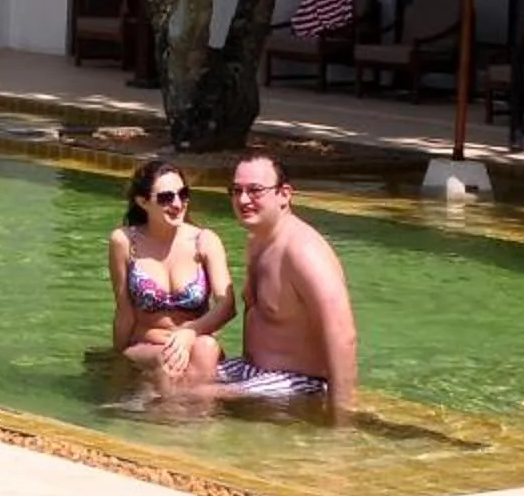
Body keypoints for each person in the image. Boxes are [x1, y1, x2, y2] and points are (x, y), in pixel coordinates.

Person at [215, 149, 358, 410]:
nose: (243, 199)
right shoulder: (256, 240)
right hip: (253, 372)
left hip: (300, 382)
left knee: (189, 396)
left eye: (255, 190)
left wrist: (342, 421)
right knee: (176, 370)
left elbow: (343, 336)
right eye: (236, 190)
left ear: (284, 194)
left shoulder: (302, 250)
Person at [109, 158, 233, 385]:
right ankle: (189, 416)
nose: (178, 203)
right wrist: (116, 364)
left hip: (197, 344)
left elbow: (227, 306)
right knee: (168, 360)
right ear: (143, 201)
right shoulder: (125, 241)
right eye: (166, 197)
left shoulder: (205, 241)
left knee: (206, 347)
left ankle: (182, 416)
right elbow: (124, 310)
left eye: (183, 194)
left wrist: (190, 332)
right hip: (147, 347)